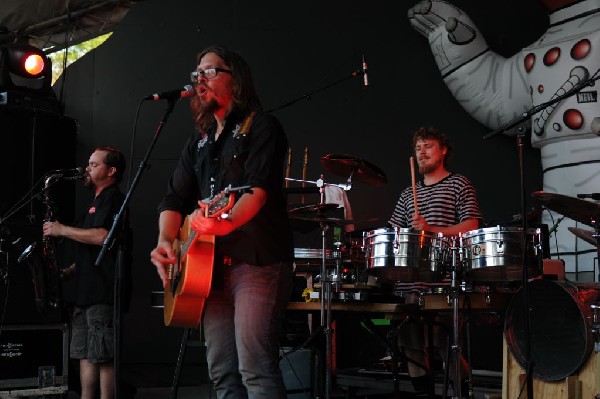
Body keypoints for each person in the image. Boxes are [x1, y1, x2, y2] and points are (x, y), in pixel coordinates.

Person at [149, 45, 294, 398]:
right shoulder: (198, 143)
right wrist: (166, 240)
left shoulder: (261, 127)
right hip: (207, 269)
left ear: (236, 79)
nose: (201, 78)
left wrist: (226, 224)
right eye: (197, 73)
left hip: (256, 261)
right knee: (222, 373)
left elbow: (256, 192)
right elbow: (173, 199)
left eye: (211, 71)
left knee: (255, 368)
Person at [388, 127, 483, 397]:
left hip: (446, 279)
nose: (421, 152)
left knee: (448, 345)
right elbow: (394, 232)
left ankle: (461, 394)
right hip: (411, 282)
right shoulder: (408, 194)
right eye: (418, 148)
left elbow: (472, 224)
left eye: (428, 146)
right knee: (412, 346)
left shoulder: (458, 183)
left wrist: (433, 230)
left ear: (443, 151)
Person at [42, 146, 129, 399]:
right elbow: (92, 251)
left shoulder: (113, 198)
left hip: (103, 292)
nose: (87, 168)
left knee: (104, 357)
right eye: (89, 163)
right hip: (85, 292)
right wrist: (71, 271)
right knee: (85, 355)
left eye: (93, 164)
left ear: (111, 171)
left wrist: (61, 230)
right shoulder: (96, 201)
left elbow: (103, 237)